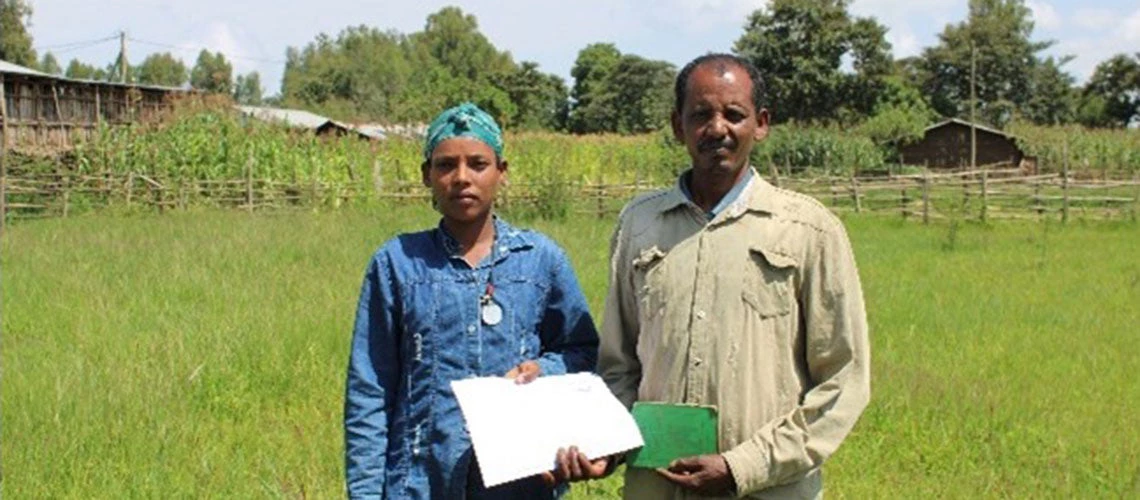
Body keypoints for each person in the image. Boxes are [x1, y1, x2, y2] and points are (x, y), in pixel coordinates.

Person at [590, 53, 872, 498]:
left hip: (769, 488)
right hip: (657, 487)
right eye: (700, 114)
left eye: (734, 114)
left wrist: (743, 466)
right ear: (677, 125)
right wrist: (606, 442)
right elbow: (618, 365)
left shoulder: (809, 230)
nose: (717, 128)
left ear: (760, 124)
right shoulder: (639, 225)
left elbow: (842, 380)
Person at [343, 102, 600, 499]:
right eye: (446, 165)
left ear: (502, 173)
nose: (461, 178)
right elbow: (370, 391)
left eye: (477, 164)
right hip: (419, 484)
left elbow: (581, 350)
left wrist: (543, 369)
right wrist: (364, 494)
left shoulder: (540, 260)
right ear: (426, 176)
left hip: (521, 483)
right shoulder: (398, 264)